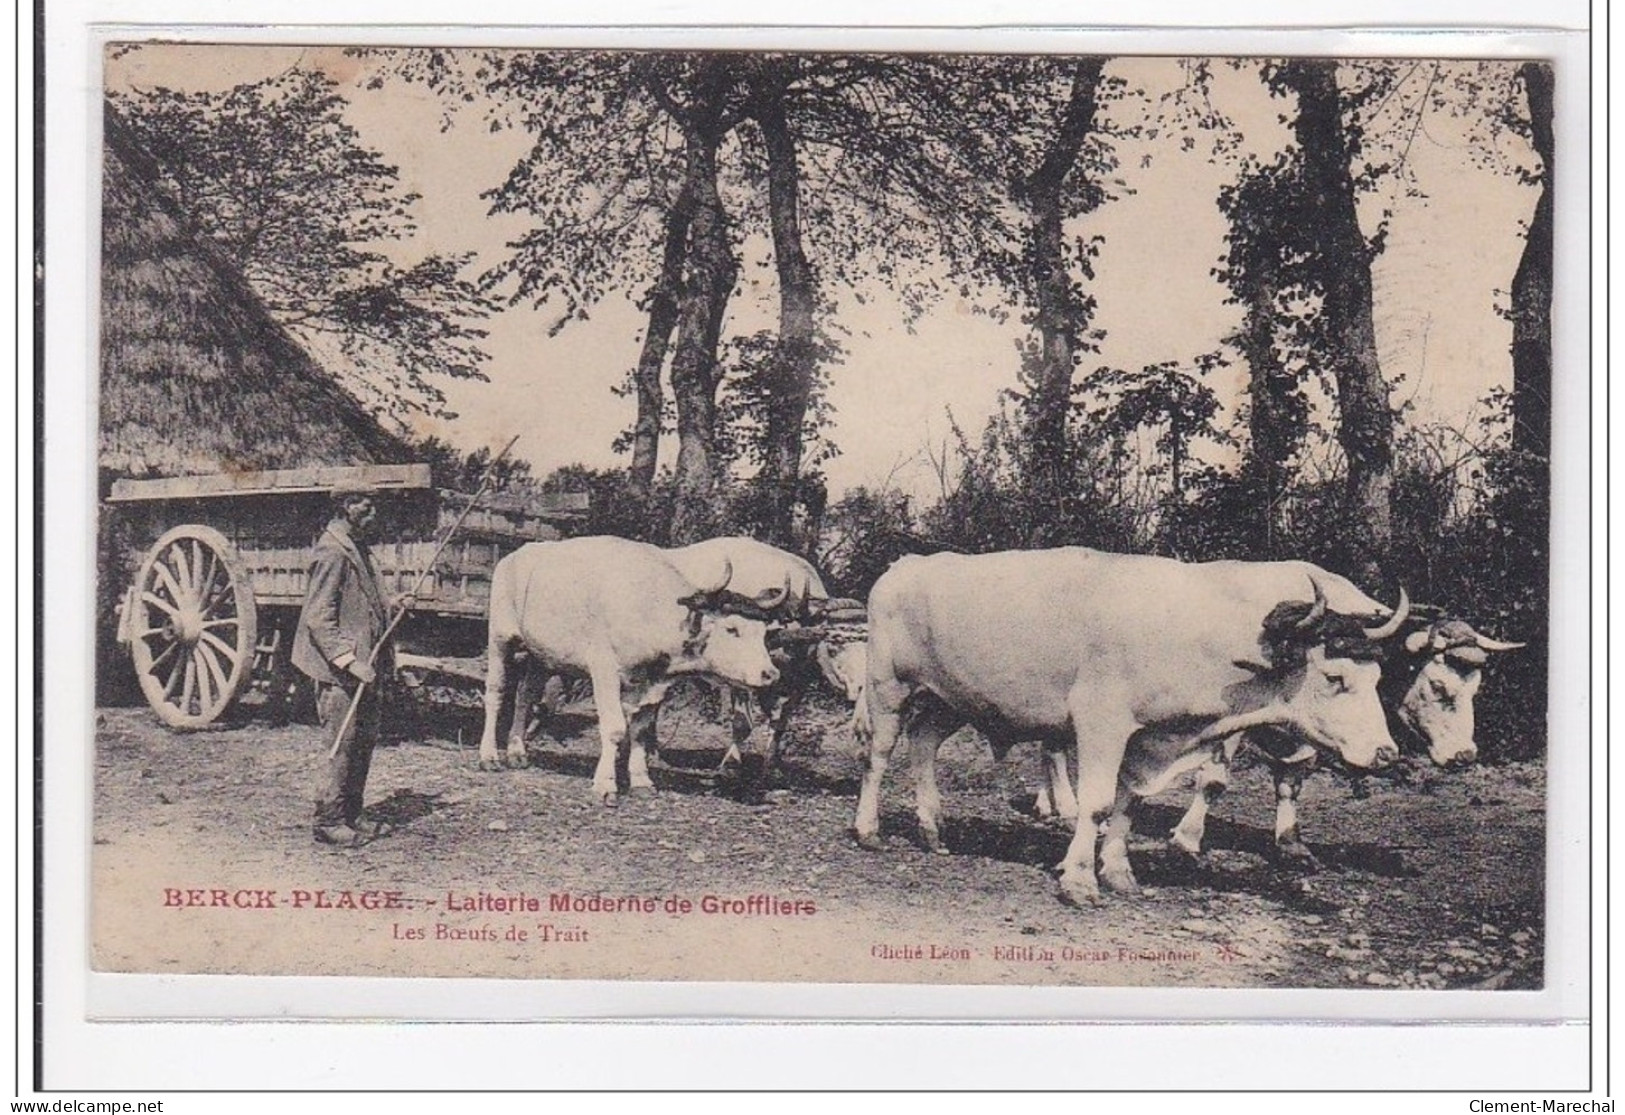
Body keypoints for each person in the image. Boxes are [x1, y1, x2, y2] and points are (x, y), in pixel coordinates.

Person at [292, 480, 401, 847]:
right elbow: (318, 617)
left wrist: (396, 603)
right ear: (345, 507)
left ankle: (352, 814)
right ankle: (328, 821)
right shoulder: (332, 552)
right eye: (365, 506)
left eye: (373, 505)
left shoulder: (358, 549)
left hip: (365, 667)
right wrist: (350, 662)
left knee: (364, 741)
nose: (373, 512)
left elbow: (365, 602)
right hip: (340, 671)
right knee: (343, 742)